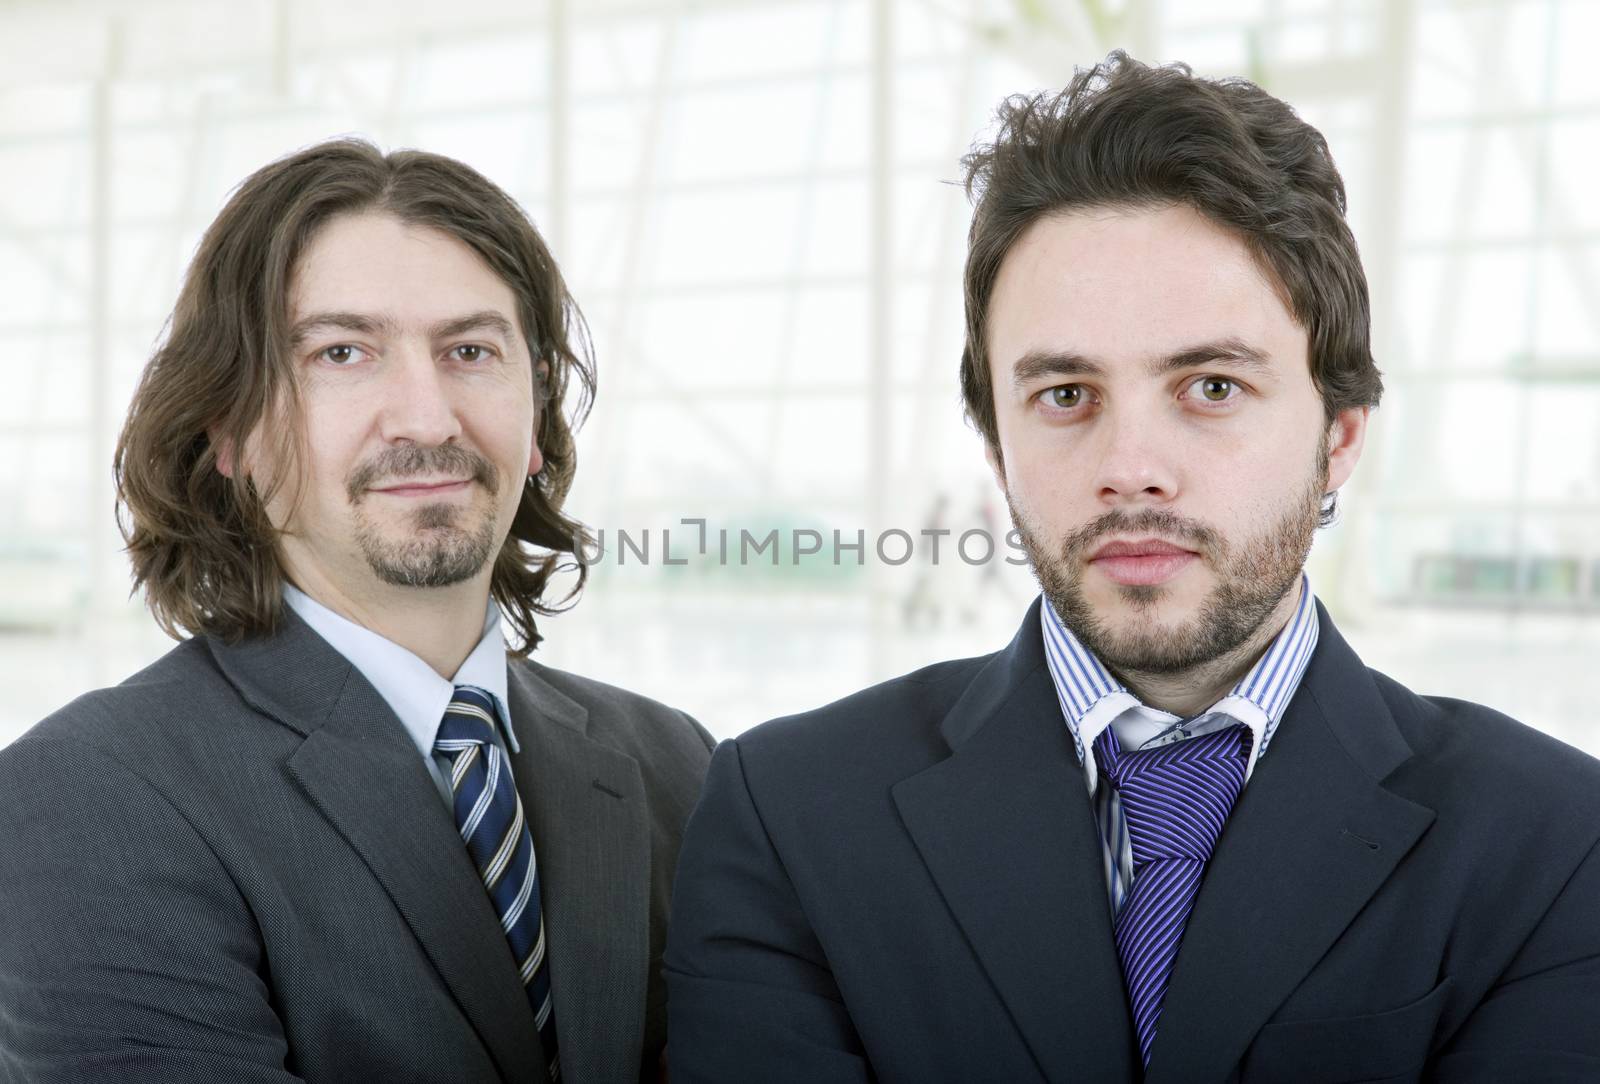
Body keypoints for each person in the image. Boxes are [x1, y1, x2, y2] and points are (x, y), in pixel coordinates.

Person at [665, 54, 1600, 1082]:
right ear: (996, 448)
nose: (1129, 470)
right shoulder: (786, 815)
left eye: (1208, 385)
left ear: (1337, 435)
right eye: (1065, 395)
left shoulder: (1552, 844)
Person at [0, 140, 713, 1084]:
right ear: (230, 426)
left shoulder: (678, 765)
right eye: (343, 353)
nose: (427, 419)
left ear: (536, 412)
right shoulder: (88, 798)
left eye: (470, 351)